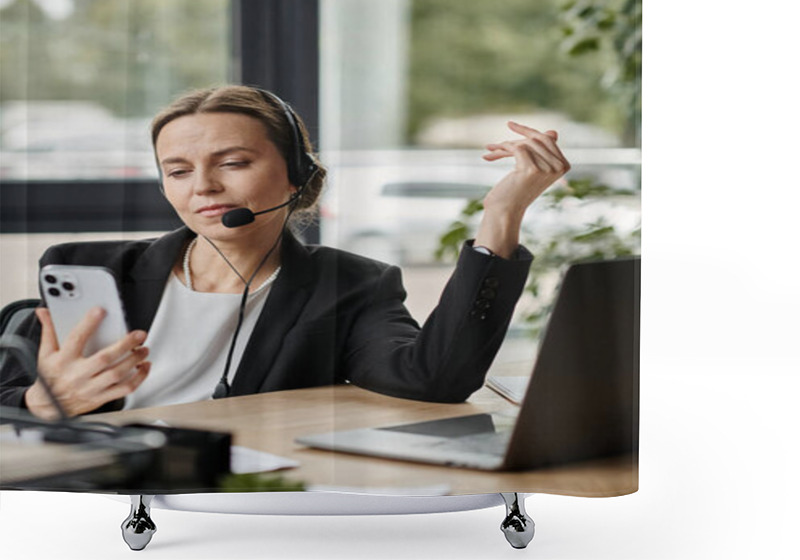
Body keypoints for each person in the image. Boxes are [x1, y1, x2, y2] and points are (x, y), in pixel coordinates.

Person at [1, 85, 570, 420]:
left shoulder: (351, 285)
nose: (202, 187)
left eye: (233, 163)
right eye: (178, 171)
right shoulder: (94, 270)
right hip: (92, 498)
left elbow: (435, 380)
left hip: (242, 500)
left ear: (297, 177)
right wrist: (37, 401)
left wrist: (503, 214)